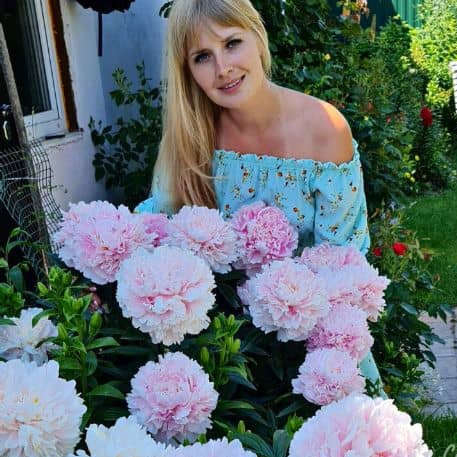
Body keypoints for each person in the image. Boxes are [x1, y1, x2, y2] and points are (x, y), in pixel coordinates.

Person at [136, 0, 385, 397]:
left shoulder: (325, 129)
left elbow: (345, 265)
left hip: (313, 351)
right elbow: (154, 222)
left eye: (232, 43)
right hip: (218, 354)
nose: (222, 68)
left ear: (258, 36)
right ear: (188, 72)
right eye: (202, 57)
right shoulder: (192, 137)